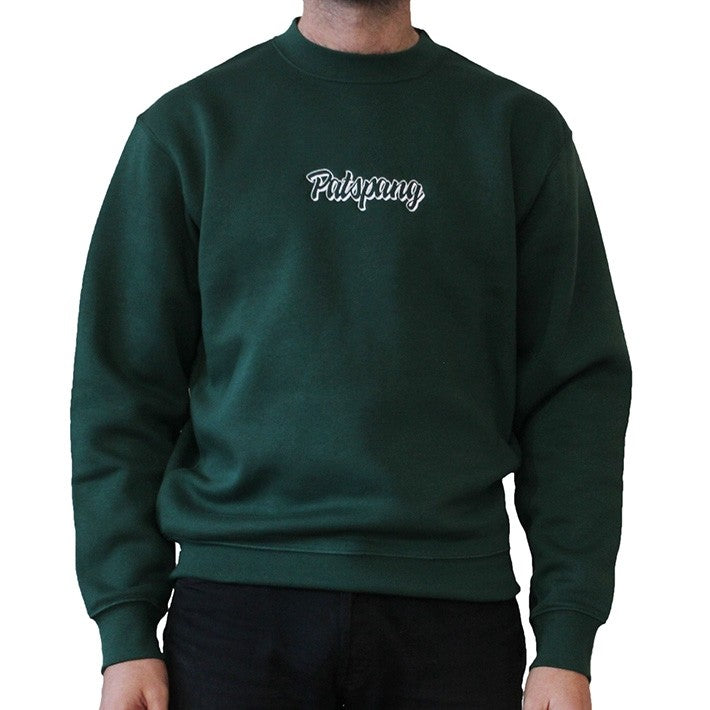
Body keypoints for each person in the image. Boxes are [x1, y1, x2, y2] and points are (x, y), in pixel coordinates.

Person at [69, 1, 633, 708]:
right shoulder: (190, 129)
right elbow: (122, 390)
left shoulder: (516, 132)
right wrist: (125, 628)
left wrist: (567, 638)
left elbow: (574, 395)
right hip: (235, 611)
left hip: (452, 614)